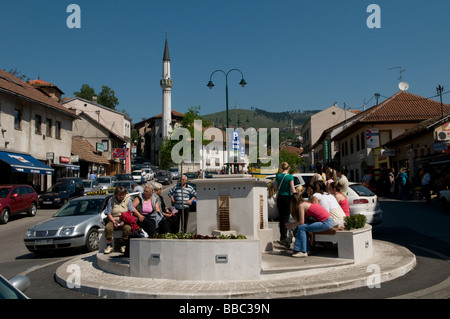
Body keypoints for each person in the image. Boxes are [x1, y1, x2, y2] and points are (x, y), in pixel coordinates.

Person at [286, 192, 334, 258]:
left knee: (301, 227)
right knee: (304, 227)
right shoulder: (307, 203)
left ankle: (303, 251)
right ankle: (306, 250)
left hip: (326, 222)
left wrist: (291, 225)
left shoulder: (301, 206)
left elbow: (301, 222)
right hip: (329, 221)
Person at [272, 162, 296, 247]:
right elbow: (293, 189)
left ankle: (282, 236)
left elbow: (275, 188)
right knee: (286, 218)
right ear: (288, 168)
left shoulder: (278, 176)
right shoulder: (290, 177)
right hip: (287, 198)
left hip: (280, 198)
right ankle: (285, 238)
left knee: (282, 218)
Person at [104, 186, 134, 254]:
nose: (121, 196)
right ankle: (109, 245)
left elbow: (131, 212)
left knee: (127, 228)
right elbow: (108, 213)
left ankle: (123, 244)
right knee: (108, 228)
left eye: (123, 195)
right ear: (116, 194)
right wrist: (114, 222)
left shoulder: (128, 199)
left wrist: (124, 221)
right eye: (119, 195)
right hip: (114, 218)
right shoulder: (111, 200)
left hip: (125, 219)